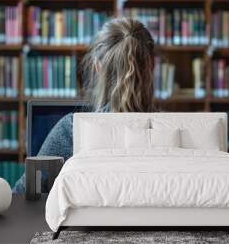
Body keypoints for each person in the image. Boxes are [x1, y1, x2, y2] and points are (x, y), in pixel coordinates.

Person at [13, 17, 156, 193]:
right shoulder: (179, 130)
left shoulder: (73, 130)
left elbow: (22, 195)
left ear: (97, 67)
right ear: (152, 66)